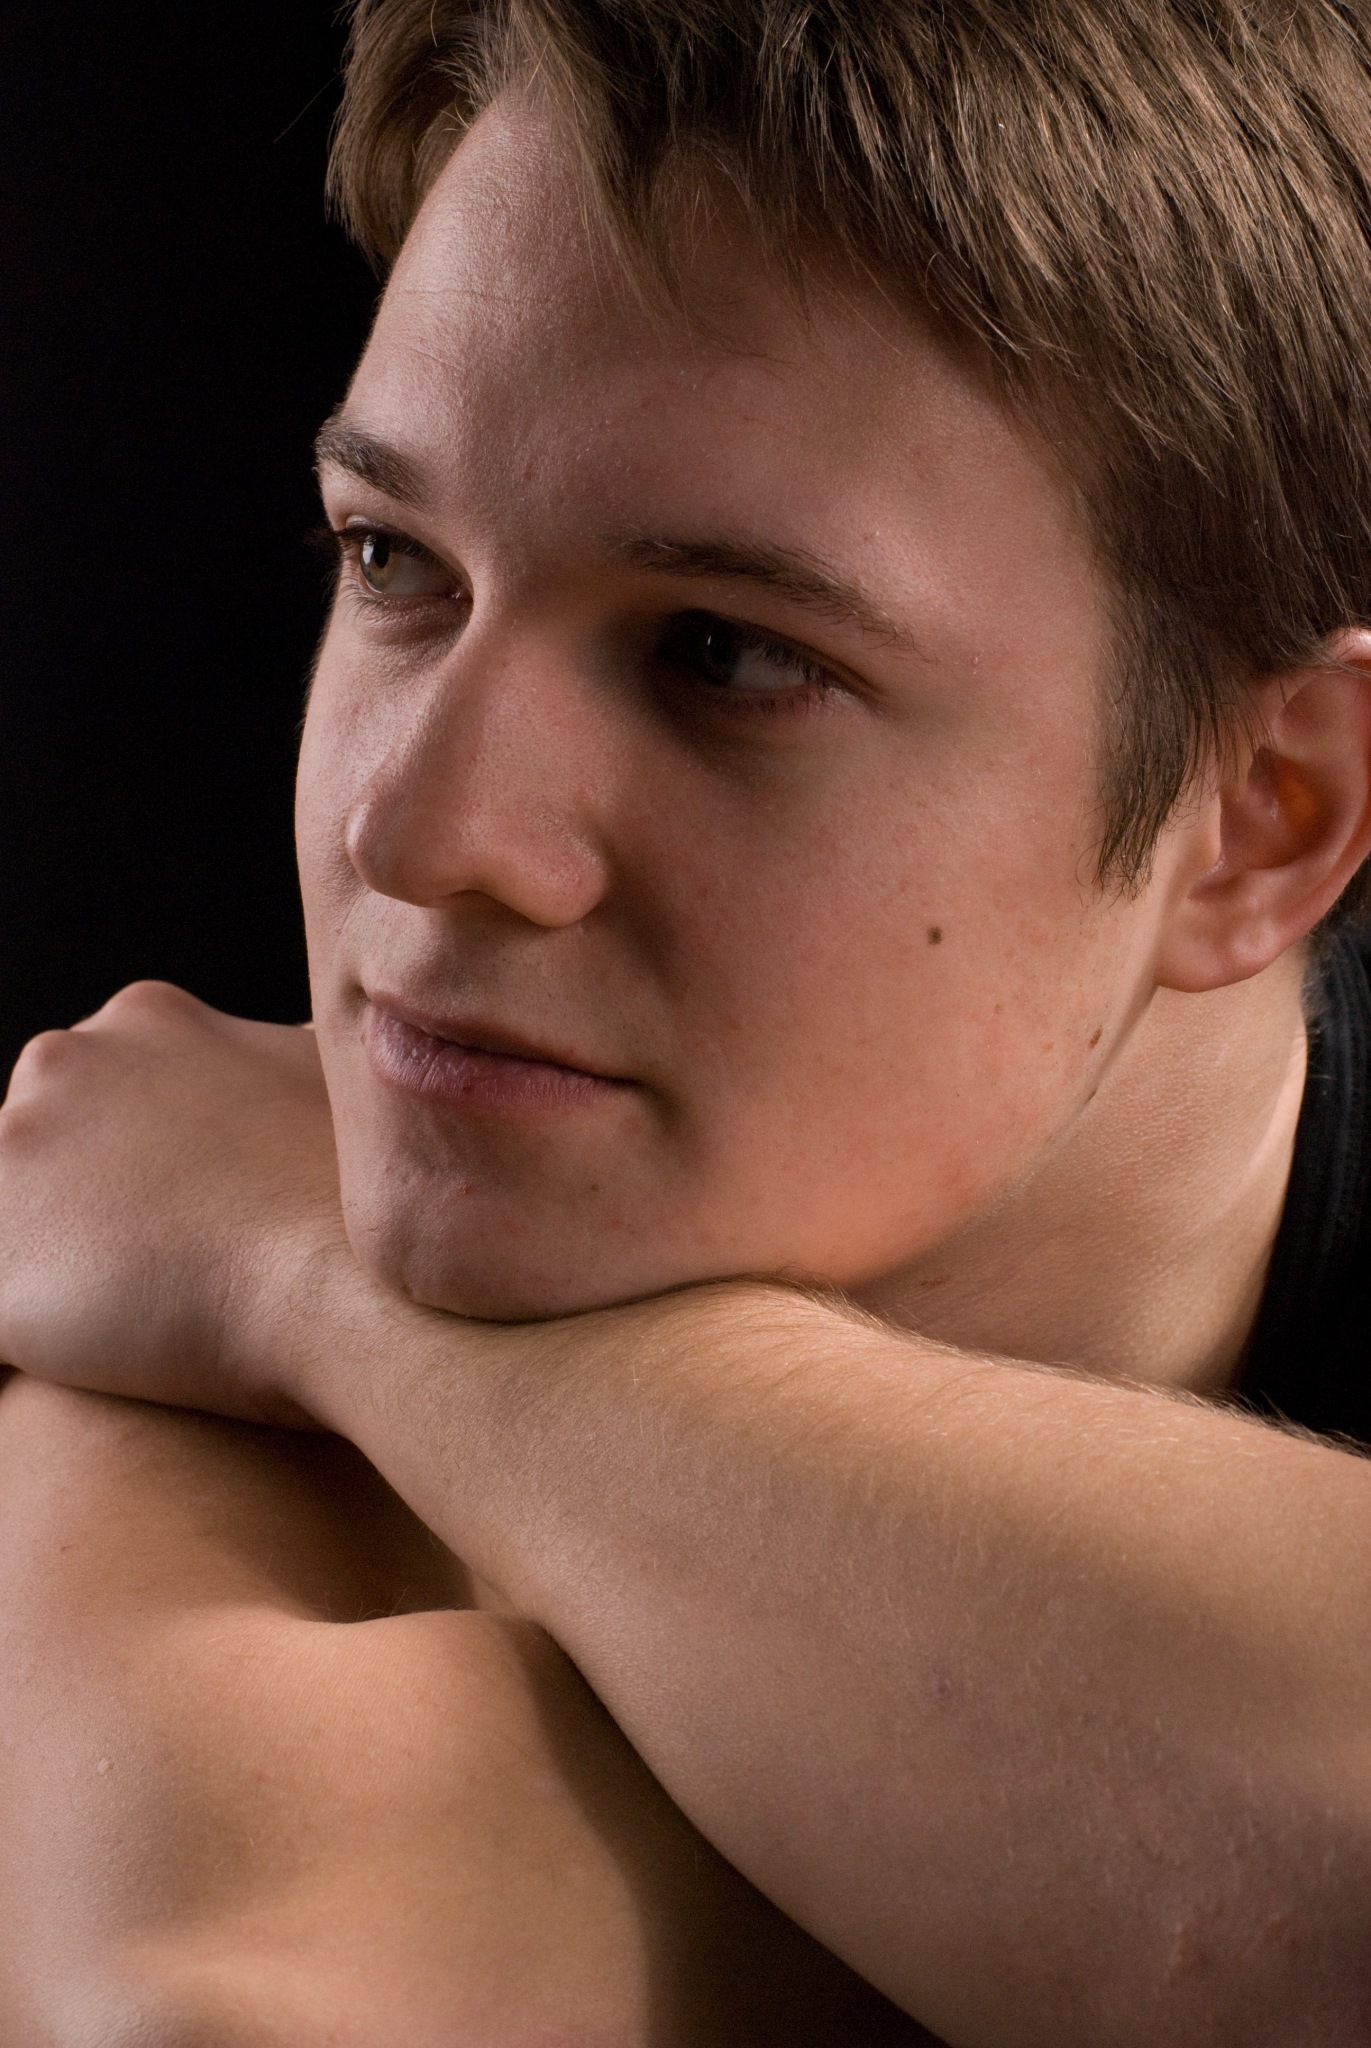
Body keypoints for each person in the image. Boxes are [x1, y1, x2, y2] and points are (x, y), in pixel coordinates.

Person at [1, 0, 1370, 2040]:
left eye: (723, 654)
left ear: (1264, 816)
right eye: (392, 560)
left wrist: (296, 1277)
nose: (417, 832)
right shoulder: (114, 1322)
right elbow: (241, 1998)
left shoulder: (179, 1228)